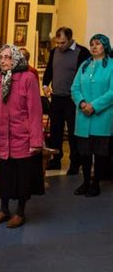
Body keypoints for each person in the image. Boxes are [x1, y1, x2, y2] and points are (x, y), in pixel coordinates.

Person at [0, 44, 44, 228]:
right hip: (4, 136)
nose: (3, 61)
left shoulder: (28, 78)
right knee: (5, 175)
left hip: (23, 136)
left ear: (16, 59)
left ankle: (20, 212)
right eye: (0, 57)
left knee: (22, 178)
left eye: (7, 57)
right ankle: (4, 209)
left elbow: (35, 111)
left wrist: (36, 140)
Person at [42, 26, 90, 173]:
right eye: (57, 43)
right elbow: (49, 70)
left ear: (70, 39)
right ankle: (56, 160)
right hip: (56, 97)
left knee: (73, 133)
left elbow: (85, 76)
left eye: (62, 42)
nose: (59, 46)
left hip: (73, 100)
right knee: (55, 131)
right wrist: (45, 84)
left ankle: (75, 162)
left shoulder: (82, 52)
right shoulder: (54, 52)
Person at [71, 34, 113, 197]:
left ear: (105, 46)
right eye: (92, 44)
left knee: (100, 153)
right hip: (83, 117)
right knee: (85, 153)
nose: (94, 47)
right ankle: (86, 181)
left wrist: (94, 106)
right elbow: (74, 88)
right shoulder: (84, 65)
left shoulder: (111, 65)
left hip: (102, 117)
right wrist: (82, 103)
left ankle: (96, 184)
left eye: (98, 44)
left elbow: (112, 92)